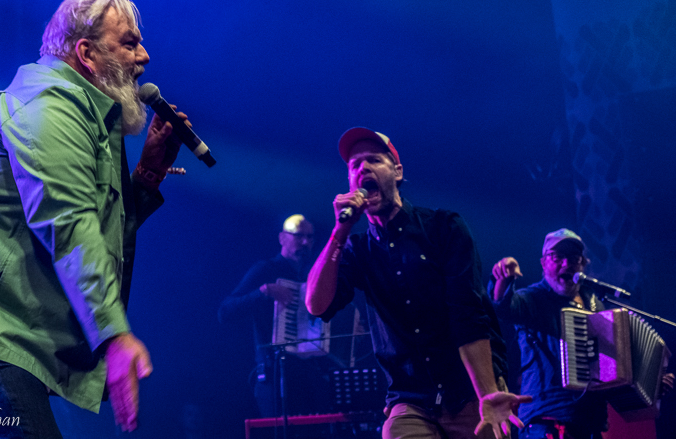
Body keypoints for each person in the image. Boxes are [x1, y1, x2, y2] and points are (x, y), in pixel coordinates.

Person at [0, 0, 189, 437]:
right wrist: (114, 336)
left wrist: (148, 175)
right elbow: (69, 225)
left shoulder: (85, 118)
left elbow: (96, 233)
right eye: (129, 43)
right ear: (86, 54)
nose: (144, 56)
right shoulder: (50, 106)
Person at [304, 127, 530, 439]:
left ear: (397, 172)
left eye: (374, 160)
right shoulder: (358, 250)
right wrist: (339, 231)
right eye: (354, 165)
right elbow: (316, 304)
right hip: (410, 398)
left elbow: (467, 316)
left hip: (468, 388)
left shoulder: (443, 228)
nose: (363, 168)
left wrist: (487, 394)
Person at [489, 228, 674, 439]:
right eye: (557, 257)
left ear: (583, 264)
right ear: (543, 263)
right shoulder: (532, 298)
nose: (566, 263)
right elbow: (503, 308)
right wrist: (503, 280)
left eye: (574, 258)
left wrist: (651, 385)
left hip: (590, 423)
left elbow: (611, 374)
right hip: (547, 419)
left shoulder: (596, 306)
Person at [218, 214, 331, 417]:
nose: (305, 242)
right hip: (275, 373)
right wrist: (264, 291)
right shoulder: (266, 269)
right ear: (282, 238)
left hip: (308, 374)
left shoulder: (312, 274)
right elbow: (225, 311)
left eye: (310, 237)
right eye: (299, 236)